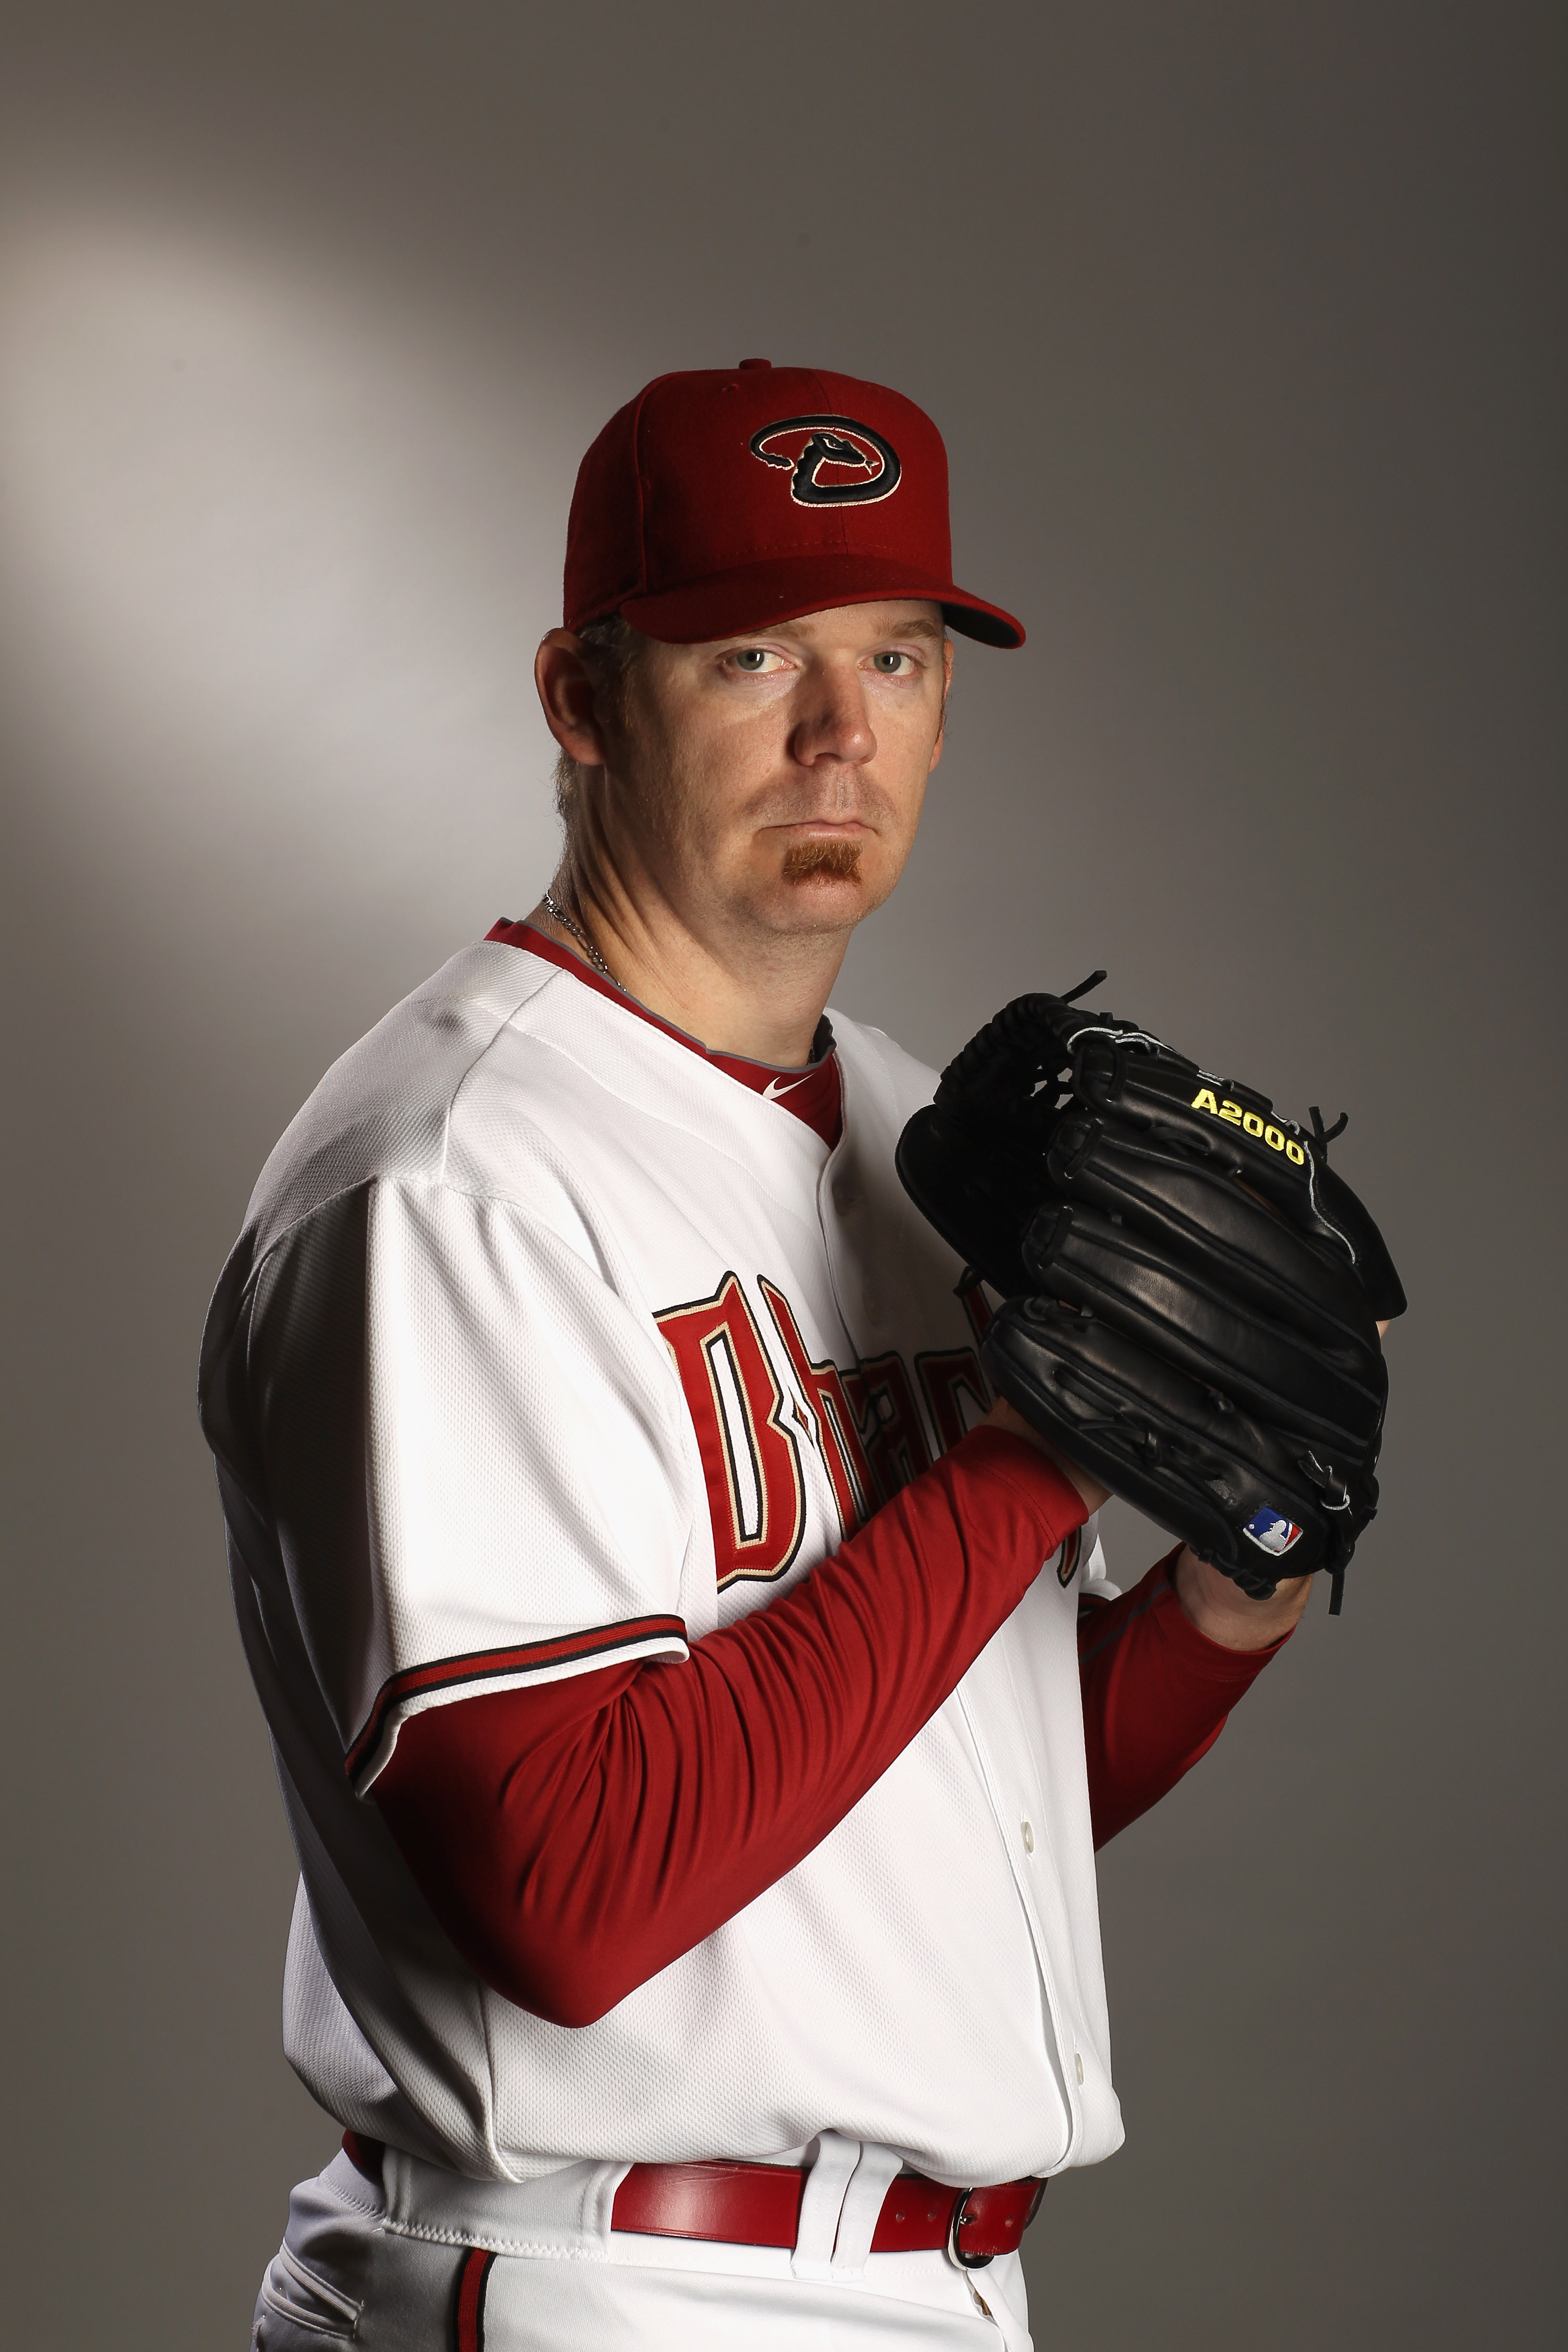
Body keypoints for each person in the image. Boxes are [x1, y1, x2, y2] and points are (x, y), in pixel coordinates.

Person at [200, 361, 1327, 2352]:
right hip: (587, 2285)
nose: (839, 736)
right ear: (581, 698)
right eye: (750, 659)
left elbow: (946, 1792)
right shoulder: (452, 1179)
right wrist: (1047, 1447)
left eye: (897, 658)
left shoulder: (906, 1139)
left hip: (923, 2293)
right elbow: (567, 1884)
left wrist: (1225, 1610)